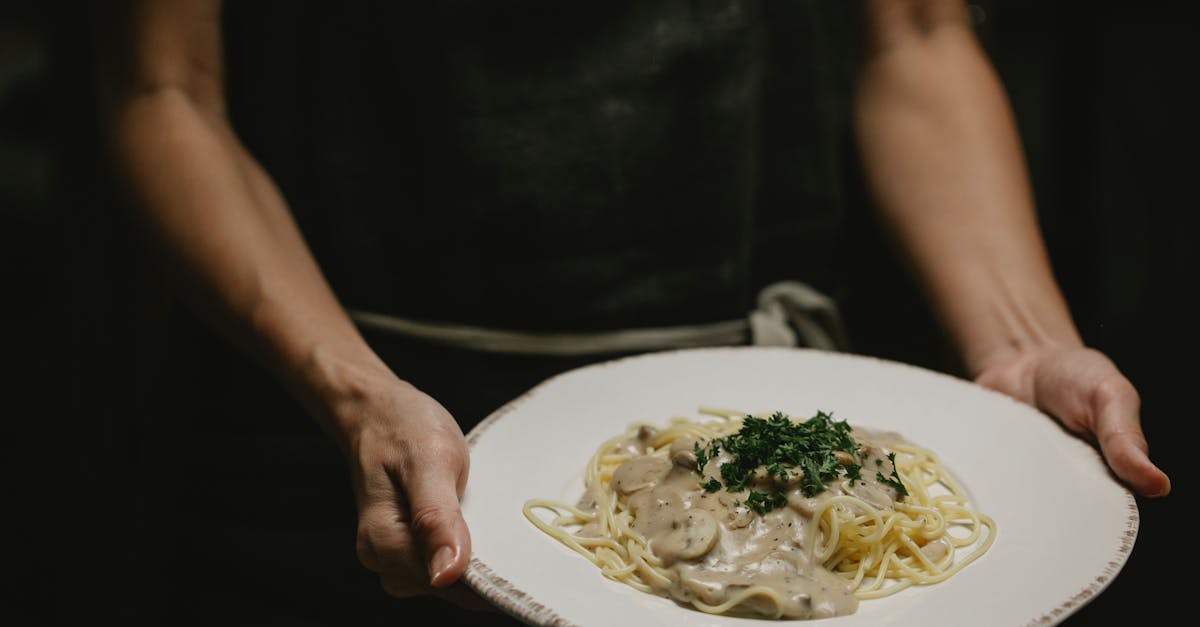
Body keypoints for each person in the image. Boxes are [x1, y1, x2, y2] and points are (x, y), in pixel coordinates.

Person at [96, 0, 1170, 624]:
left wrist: (1026, 348)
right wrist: (353, 390)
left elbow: (918, 34)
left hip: (757, 376)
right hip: (338, 416)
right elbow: (163, 89)